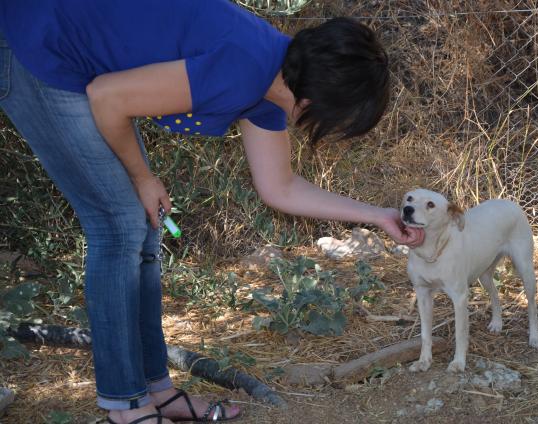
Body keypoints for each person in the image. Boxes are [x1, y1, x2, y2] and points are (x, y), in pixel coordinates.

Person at [0, 1, 424, 423]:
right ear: (315, 101)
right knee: (119, 227)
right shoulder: (243, 67)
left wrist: (377, 215)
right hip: (37, 42)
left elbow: (280, 188)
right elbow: (107, 98)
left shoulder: (274, 80)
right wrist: (143, 178)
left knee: (143, 225)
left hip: (72, 55)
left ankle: (155, 391)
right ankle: (126, 406)